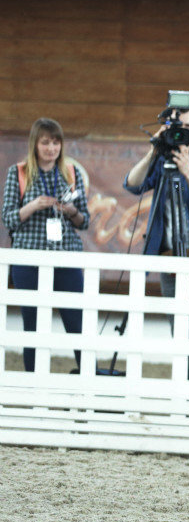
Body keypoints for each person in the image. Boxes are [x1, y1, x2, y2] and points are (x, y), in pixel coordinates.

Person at [123, 101, 189, 381]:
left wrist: (188, 171)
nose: (183, 134)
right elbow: (132, 184)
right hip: (169, 257)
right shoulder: (160, 156)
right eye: (177, 128)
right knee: (180, 330)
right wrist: (153, 150)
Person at [3, 118, 90, 373]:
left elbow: (84, 221)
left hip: (65, 256)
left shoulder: (71, 172)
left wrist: (71, 210)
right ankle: (34, 385)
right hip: (29, 258)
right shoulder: (18, 172)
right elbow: (8, 217)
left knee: (76, 322)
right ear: (35, 144)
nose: (51, 148)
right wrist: (33, 205)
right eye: (45, 142)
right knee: (33, 325)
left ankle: (90, 384)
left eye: (55, 142)